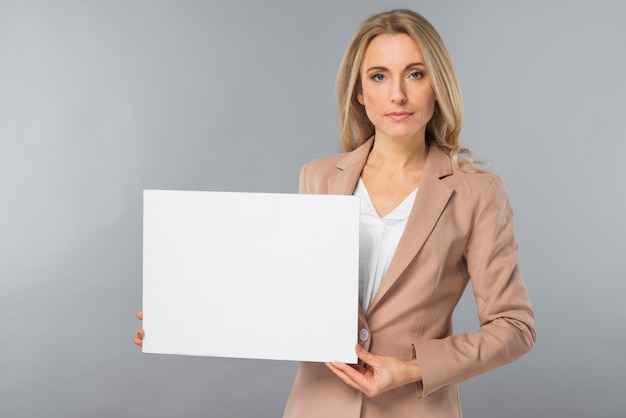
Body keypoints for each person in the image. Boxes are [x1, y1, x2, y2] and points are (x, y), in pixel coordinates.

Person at [135, 9, 535, 417]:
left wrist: (412, 369)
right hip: (316, 405)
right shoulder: (319, 177)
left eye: (415, 74)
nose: (397, 94)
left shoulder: (478, 191)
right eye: (379, 76)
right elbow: (288, 295)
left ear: (438, 85)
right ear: (360, 92)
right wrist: (185, 314)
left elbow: (515, 327)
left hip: (415, 408)